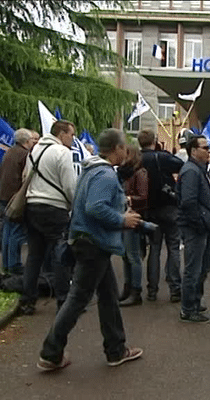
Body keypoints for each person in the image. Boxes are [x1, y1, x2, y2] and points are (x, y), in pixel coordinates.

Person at [37, 128, 143, 371]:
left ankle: (116, 350)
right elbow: (96, 207)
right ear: (116, 149)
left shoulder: (90, 170)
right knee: (78, 299)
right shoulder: (105, 175)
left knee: (108, 298)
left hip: (91, 242)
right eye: (124, 147)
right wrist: (121, 219)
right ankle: (50, 352)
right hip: (94, 244)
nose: (126, 151)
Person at [18, 121, 76, 315]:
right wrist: (73, 205)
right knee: (61, 256)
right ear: (61, 134)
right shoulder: (62, 153)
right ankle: (64, 302)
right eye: (71, 135)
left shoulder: (34, 151)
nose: (72, 139)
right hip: (54, 208)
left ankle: (27, 300)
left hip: (32, 206)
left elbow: (26, 176)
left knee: (34, 256)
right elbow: (70, 185)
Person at [177, 135, 210, 323]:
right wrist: (200, 223)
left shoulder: (200, 170)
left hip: (203, 227)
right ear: (193, 151)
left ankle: (194, 301)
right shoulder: (192, 171)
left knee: (202, 268)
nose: (208, 150)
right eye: (204, 148)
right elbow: (188, 202)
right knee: (193, 269)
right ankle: (188, 308)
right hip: (195, 229)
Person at [138, 129, 184, 302]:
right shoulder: (161, 157)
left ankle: (152, 290)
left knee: (154, 249)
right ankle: (175, 289)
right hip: (169, 205)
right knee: (173, 247)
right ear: (154, 140)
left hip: (149, 208)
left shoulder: (136, 159)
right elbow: (181, 164)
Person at [0, 129, 38, 275]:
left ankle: (6, 264)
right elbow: (27, 176)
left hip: (4, 196)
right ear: (26, 141)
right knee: (16, 232)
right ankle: (14, 265)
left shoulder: (9, 152)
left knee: (7, 232)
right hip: (15, 198)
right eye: (32, 140)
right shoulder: (24, 155)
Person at [119, 145, 149, 307]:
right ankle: (128, 287)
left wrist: (128, 199)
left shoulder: (139, 173)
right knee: (125, 255)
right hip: (124, 216)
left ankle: (135, 290)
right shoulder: (126, 172)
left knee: (133, 256)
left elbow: (143, 196)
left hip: (134, 216)